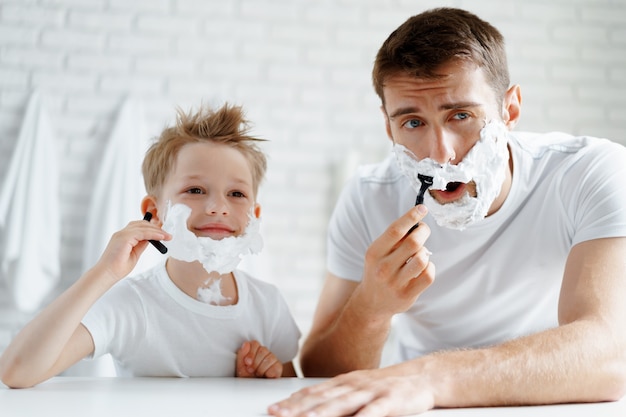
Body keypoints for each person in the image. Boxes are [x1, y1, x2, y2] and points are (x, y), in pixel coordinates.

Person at [268, 7, 626, 417]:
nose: (441, 154)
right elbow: (317, 370)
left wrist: (430, 377)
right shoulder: (369, 196)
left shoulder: (590, 172)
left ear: (509, 110)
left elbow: (610, 354)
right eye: (413, 123)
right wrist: (371, 307)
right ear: (389, 129)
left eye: (461, 116)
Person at [0, 103, 301, 388]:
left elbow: (291, 391)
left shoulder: (268, 305)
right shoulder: (131, 305)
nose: (218, 207)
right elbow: (17, 371)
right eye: (195, 189)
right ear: (156, 213)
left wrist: (260, 378)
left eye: (236, 194)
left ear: (254, 216)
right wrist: (104, 273)